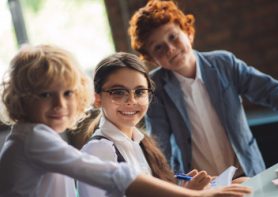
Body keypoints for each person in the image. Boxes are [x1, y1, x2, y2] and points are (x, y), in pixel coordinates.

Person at [0, 44, 251, 197]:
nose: (60, 105)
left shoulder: (140, 142)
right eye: (45, 94)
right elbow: (116, 176)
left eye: (67, 93)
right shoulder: (37, 139)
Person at [128, 0, 278, 177]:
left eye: (173, 37)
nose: (170, 49)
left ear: (188, 33)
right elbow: (160, 145)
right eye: (158, 47)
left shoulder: (224, 63)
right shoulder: (156, 89)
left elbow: (274, 92)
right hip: (203, 186)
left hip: (247, 174)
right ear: (152, 59)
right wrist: (169, 185)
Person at [77, 52, 213, 197]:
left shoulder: (143, 143)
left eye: (140, 92)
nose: (131, 100)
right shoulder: (98, 150)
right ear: (97, 99)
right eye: (118, 92)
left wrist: (185, 190)